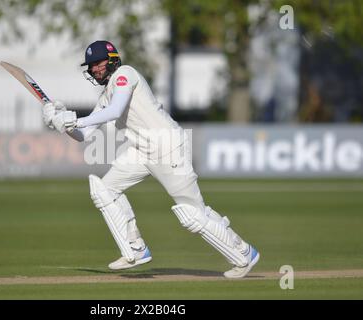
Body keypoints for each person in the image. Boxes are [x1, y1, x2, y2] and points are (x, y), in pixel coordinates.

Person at [42, 40, 260, 278]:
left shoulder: (125, 75)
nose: (95, 69)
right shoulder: (106, 94)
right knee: (104, 189)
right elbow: (83, 135)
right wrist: (60, 122)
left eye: (98, 63)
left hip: (168, 146)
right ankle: (136, 249)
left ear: (113, 59)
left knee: (192, 214)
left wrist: (76, 119)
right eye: (91, 66)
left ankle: (243, 253)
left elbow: (115, 111)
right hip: (141, 151)